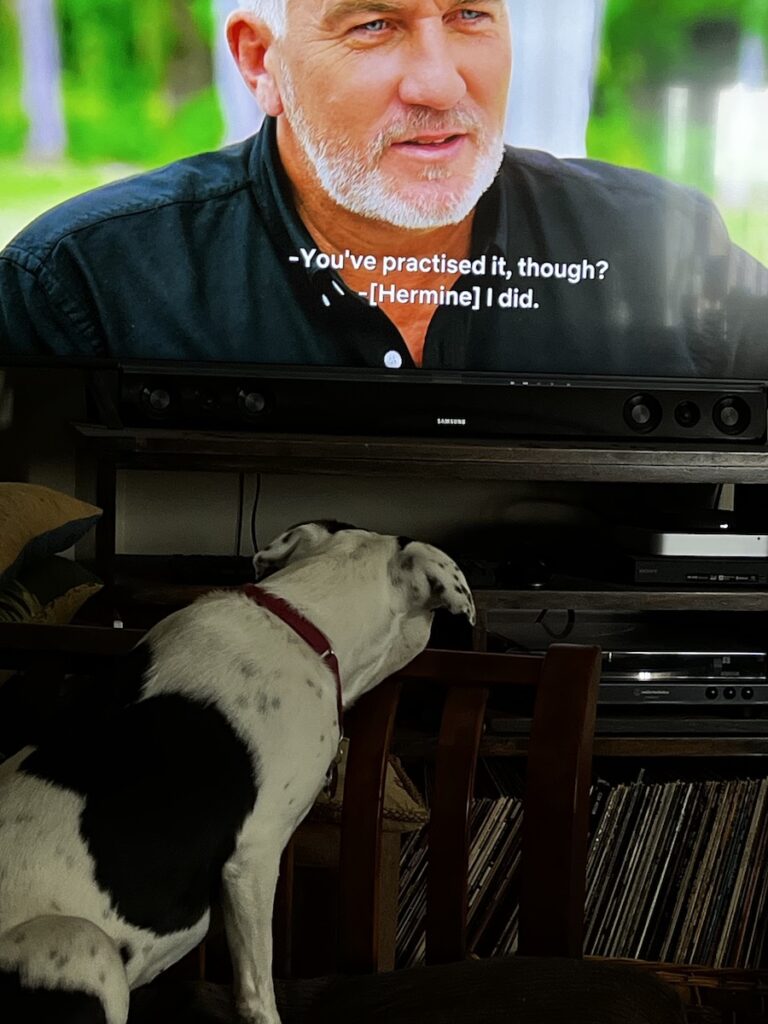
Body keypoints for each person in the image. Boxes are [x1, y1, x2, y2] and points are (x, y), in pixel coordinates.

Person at [0, 0, 766, 378]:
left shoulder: (665, 249)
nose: (439, 82)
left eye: (469, 14)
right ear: (260, 62)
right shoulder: (84, 288)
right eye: (374, 24)